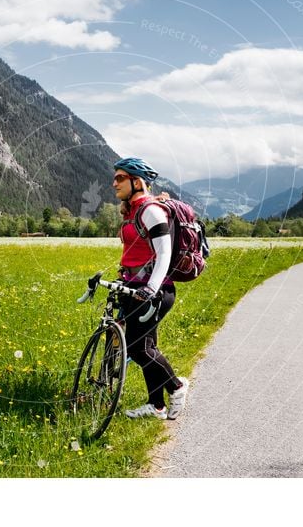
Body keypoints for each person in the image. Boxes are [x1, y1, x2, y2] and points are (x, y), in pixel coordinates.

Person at [112, 157, 189, 420]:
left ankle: (177, 387)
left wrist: (151, 288)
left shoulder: (151, 211)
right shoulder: (132, 211)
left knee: (137, 348)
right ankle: (156, 405)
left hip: (155, 290)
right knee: (147, 345)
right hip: (133, 286)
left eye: (120, 178)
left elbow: (164, 253)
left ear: (137, 182)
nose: (114, 183)